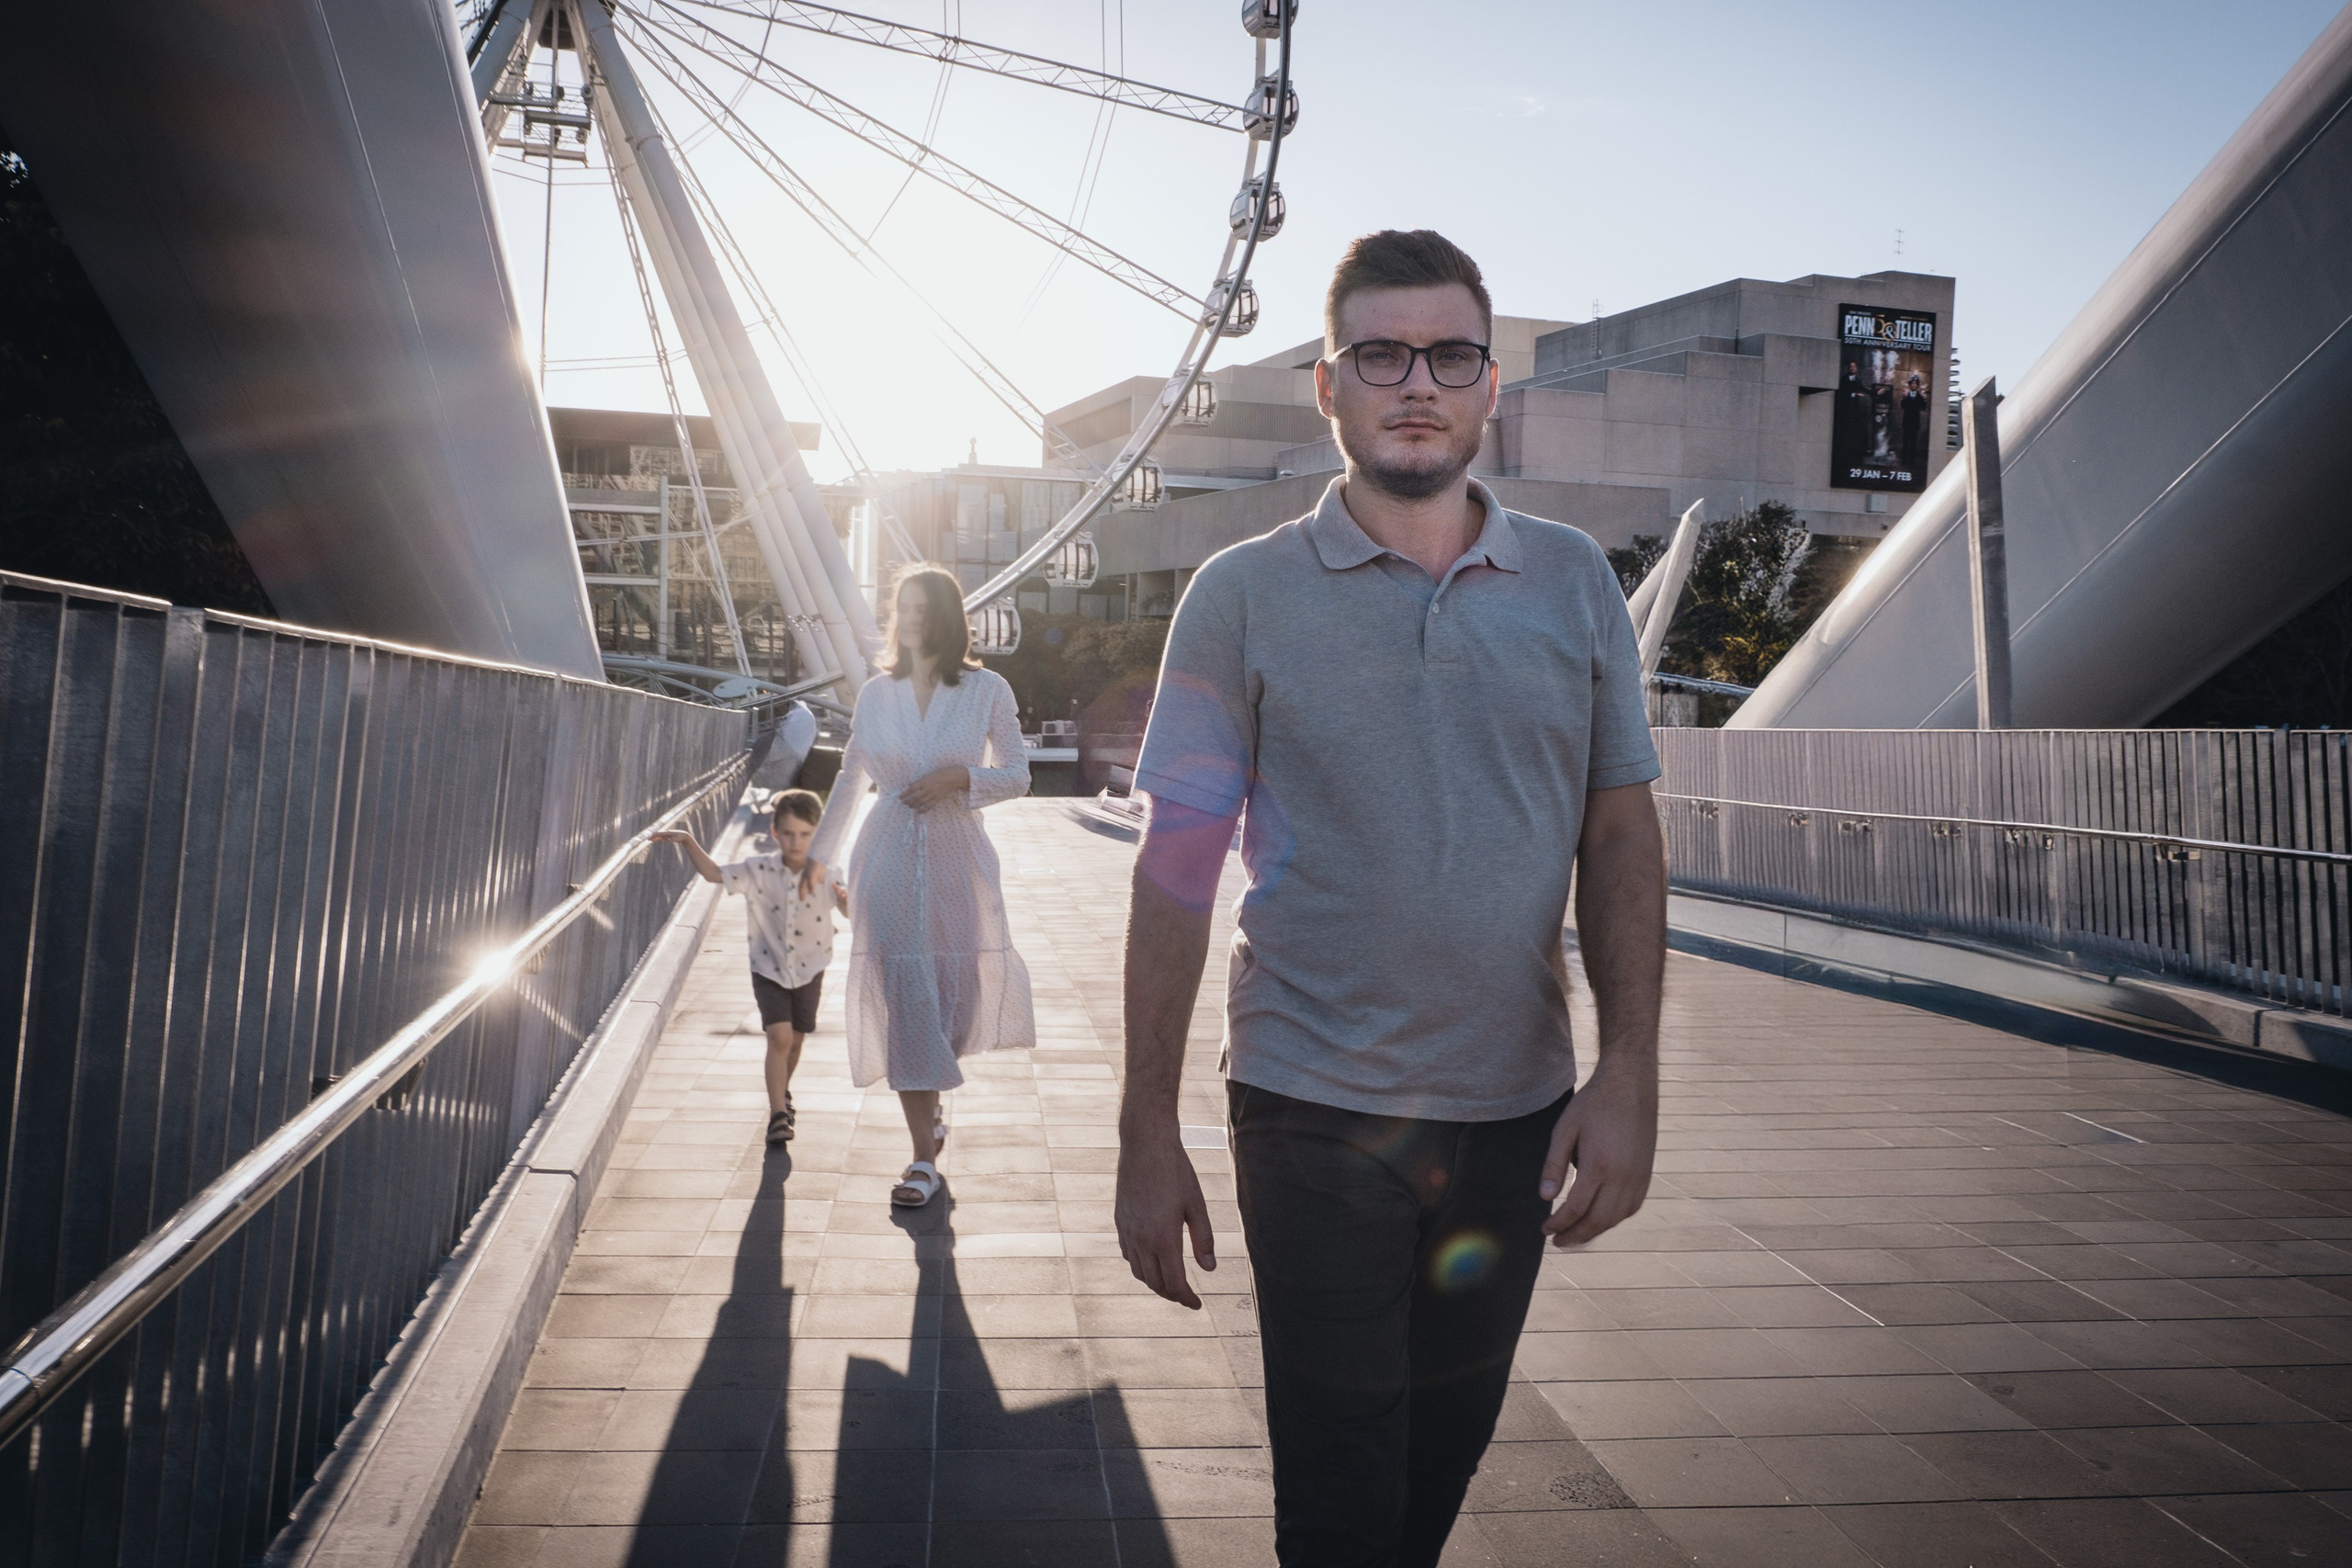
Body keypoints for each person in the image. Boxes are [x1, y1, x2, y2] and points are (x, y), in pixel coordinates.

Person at [1114, 229, 1668, 1568]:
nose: (1416, 382)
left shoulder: (1576, 583)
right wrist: (1144, 1122)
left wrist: (1632, 1069)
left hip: (1512, 1118)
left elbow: (1620, 827)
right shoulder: (1238, 596)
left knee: (1432, 1469)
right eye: (1380, 353)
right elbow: (1178, 867)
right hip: (1313, 1111)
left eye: (1450, 354)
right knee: (1342, 1482)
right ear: (1329, 385)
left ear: (1490, 386)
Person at [806, 564, 1035, 1208]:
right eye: (900, 607)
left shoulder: (988, 687)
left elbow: (1018, 775)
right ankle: (921, 1159)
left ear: (946, 615)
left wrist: (961, 777)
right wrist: (819, 862)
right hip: (888, 860)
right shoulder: (877, 693)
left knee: (954, 1005)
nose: (908, 618)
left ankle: (931, 1102)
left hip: (958, 863)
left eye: (921, 607)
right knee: (907, 1002)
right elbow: (852, 777)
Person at [654, 788, 845, 1146]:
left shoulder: (828, 871)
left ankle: (782, 1093)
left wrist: (849, 903)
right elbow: (714, 873)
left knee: (797, 1039)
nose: (795, 841)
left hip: (810, 968)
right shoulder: (758, 869)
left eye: (804, 834)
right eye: (788, 833)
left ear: (816, 834)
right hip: (768, 968)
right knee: (780, 1037)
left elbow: (849, 908)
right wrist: (687, 840)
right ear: (775, 832)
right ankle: (778, 1115)